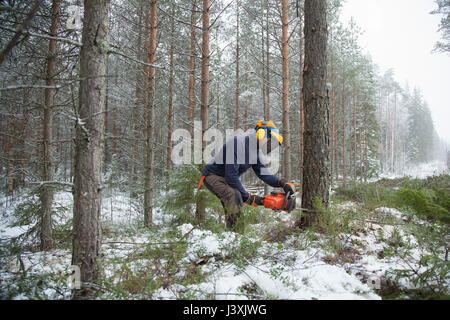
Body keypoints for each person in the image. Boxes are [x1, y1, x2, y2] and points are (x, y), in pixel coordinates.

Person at [197, 120, 296, 229]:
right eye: (269, 140)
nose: (269, 144)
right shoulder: (237, 143)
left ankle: (231, 232)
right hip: (212, 176)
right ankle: (235, 235)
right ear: (261, 133)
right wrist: (248, 197)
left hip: (227, 178)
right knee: (234, 195)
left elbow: (264, 174)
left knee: (235, 197)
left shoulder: (256, 152)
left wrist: (282, 183)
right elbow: (231, 176)